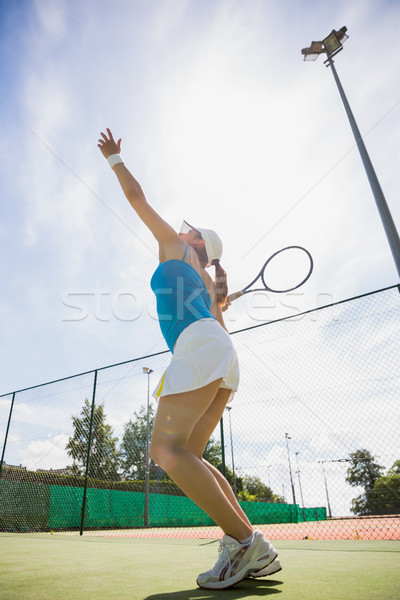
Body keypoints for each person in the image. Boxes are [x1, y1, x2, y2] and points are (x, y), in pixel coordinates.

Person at [98, 129, 281, 590]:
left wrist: (115, 158)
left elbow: (138, 200)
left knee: (166, 451)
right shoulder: (204, 279)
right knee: (191, 453)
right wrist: (217, 302)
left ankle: (243, 542)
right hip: (221, 357)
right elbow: (221, 332)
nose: (181, 229)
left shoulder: (177, 251)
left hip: (199, 348)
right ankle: (253, 543)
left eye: (190, 230)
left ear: (196, 242)